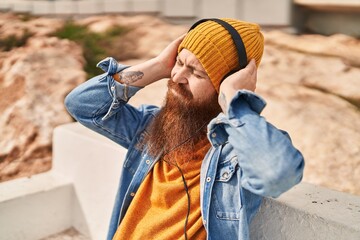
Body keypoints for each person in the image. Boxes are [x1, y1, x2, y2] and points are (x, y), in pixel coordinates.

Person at [65, 18, 304, 240]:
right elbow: (81, 105)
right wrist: (158, 66)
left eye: (196, 73)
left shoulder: (235, 153)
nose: (177, 76)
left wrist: (234, 100)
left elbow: (278, 173)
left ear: (224, 83)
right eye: (179, 62)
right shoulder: (152, 127)